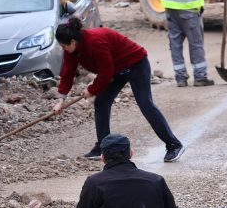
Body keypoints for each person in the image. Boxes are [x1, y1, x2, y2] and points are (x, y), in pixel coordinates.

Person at [52, 17, 185, 163]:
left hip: (136, 64)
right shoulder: (71, 50)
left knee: (145, 104)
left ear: (73, 41)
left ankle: (173, 145)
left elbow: (106, 71)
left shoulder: (95, 41)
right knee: (101, 102)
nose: (63, 49)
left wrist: (92, 89)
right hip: (117, 70)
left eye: (64, 46)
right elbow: (68, 72)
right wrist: (61, 99)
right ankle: (103, 147)